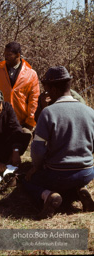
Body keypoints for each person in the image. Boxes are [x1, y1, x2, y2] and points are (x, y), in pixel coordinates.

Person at [24, 66, 94, 219]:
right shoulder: (90, 111)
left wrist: (36, 167)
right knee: (71, 181)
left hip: (58, 174)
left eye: (47, 89)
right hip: (87, 172)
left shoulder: (48, 112)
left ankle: (49, 195)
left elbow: (37, 149)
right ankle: (80, 189)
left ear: (54, 89)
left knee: (26, 181)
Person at [0, 42, 40, 131]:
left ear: (18, 55)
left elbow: (34, 99)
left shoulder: (31, 74)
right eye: (5, 54)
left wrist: (30, 121)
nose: (5, 57)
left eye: (9, 55)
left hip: (21, 121)